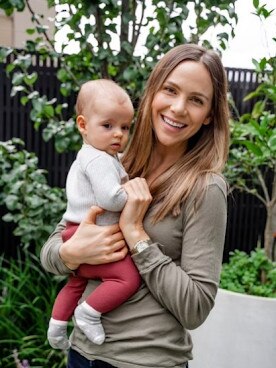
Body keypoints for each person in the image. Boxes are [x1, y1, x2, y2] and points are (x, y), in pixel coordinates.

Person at [41, 43, 229, 368]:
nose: (179, 108)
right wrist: (72, 254)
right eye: (170, 90)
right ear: (153, 91)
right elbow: (52, 250)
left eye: (196, 100)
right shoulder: (113, 163)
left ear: (209, 115)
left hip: (145, 361)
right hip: (82, 353)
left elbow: (196, 307)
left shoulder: (205, 188)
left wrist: (135, 233)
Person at [47, 79, 142, 350]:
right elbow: (110, 198)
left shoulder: (95, 155)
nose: (118, 135)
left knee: (76, 281)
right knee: (126, 279)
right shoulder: (99, 159)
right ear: (83, 125)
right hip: (92, 233)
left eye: (125, 127)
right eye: (108, 126)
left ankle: (56, 327)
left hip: (75, 232)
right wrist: (133, 194)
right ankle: (88, 313)